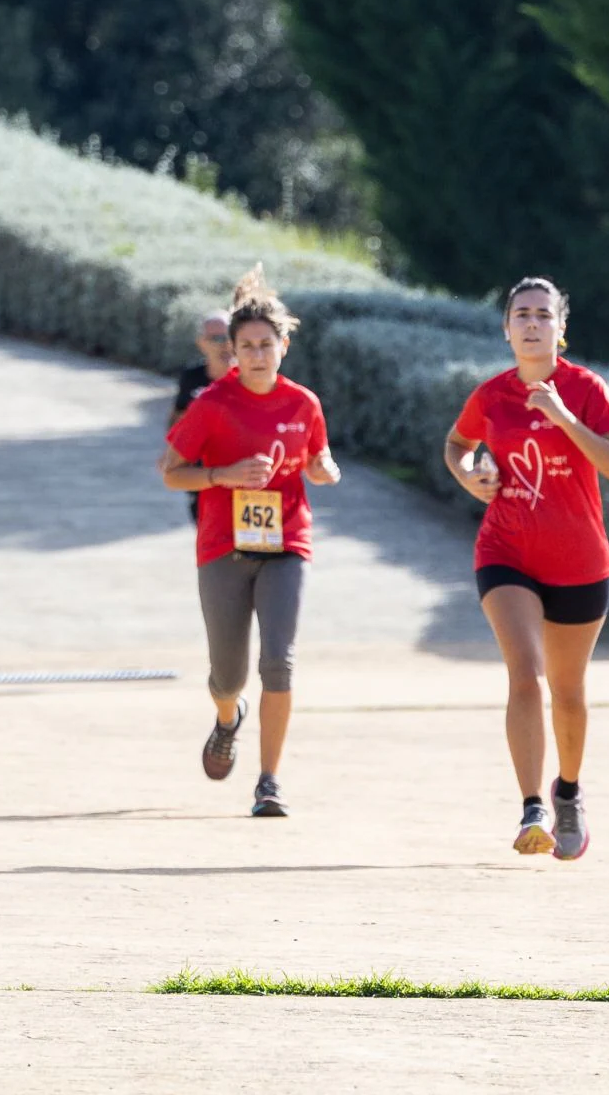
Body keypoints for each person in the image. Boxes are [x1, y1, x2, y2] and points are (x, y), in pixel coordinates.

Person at [443, 277, 609, 861]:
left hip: (580, 562)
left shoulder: (586, 389)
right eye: (520, 314)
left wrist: (564, 416)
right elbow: (456, 443)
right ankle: (532, 807)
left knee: (568, 691)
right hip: (507, 552)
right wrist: (470, 473)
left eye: (543, 315)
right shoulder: (491, 396)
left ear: (560, 330)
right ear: (506, 329)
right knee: (525, 672)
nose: (531, 324)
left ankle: (568, 792)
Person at [162, 267, 340, 817]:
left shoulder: (303, 403)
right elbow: (172, 471)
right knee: (229, 675)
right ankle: (225, 716)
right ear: (233, 352)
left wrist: (323, 468)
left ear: (284, 346)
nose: (258, 355)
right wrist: (224, 475)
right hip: (222, 545)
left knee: (279, 665)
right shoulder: (213, 403)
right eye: (247, 347)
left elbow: (319, 455)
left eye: (267, 345)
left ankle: (269, 781)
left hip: (287, 542)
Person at [165, 308, 235, 523]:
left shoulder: (251, 378)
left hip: (241, 466)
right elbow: (178, 416)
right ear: (202, 343)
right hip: (200, 472)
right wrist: (172, 453)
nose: (225, 344)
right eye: (216, 338)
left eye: (230, 336)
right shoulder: (192, 377)